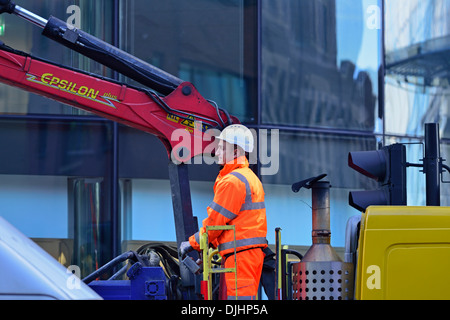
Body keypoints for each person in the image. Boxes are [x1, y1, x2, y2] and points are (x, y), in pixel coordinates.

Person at [179, 124, 268, 300]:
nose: (217, 152)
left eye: (221, 148)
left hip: (241, 256)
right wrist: (208, 250)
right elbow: (233, 222)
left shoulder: (232, 181)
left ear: (235, 151)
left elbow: (215, 223)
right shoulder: (249, 177)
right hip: (246, 254)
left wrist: (191, 243)